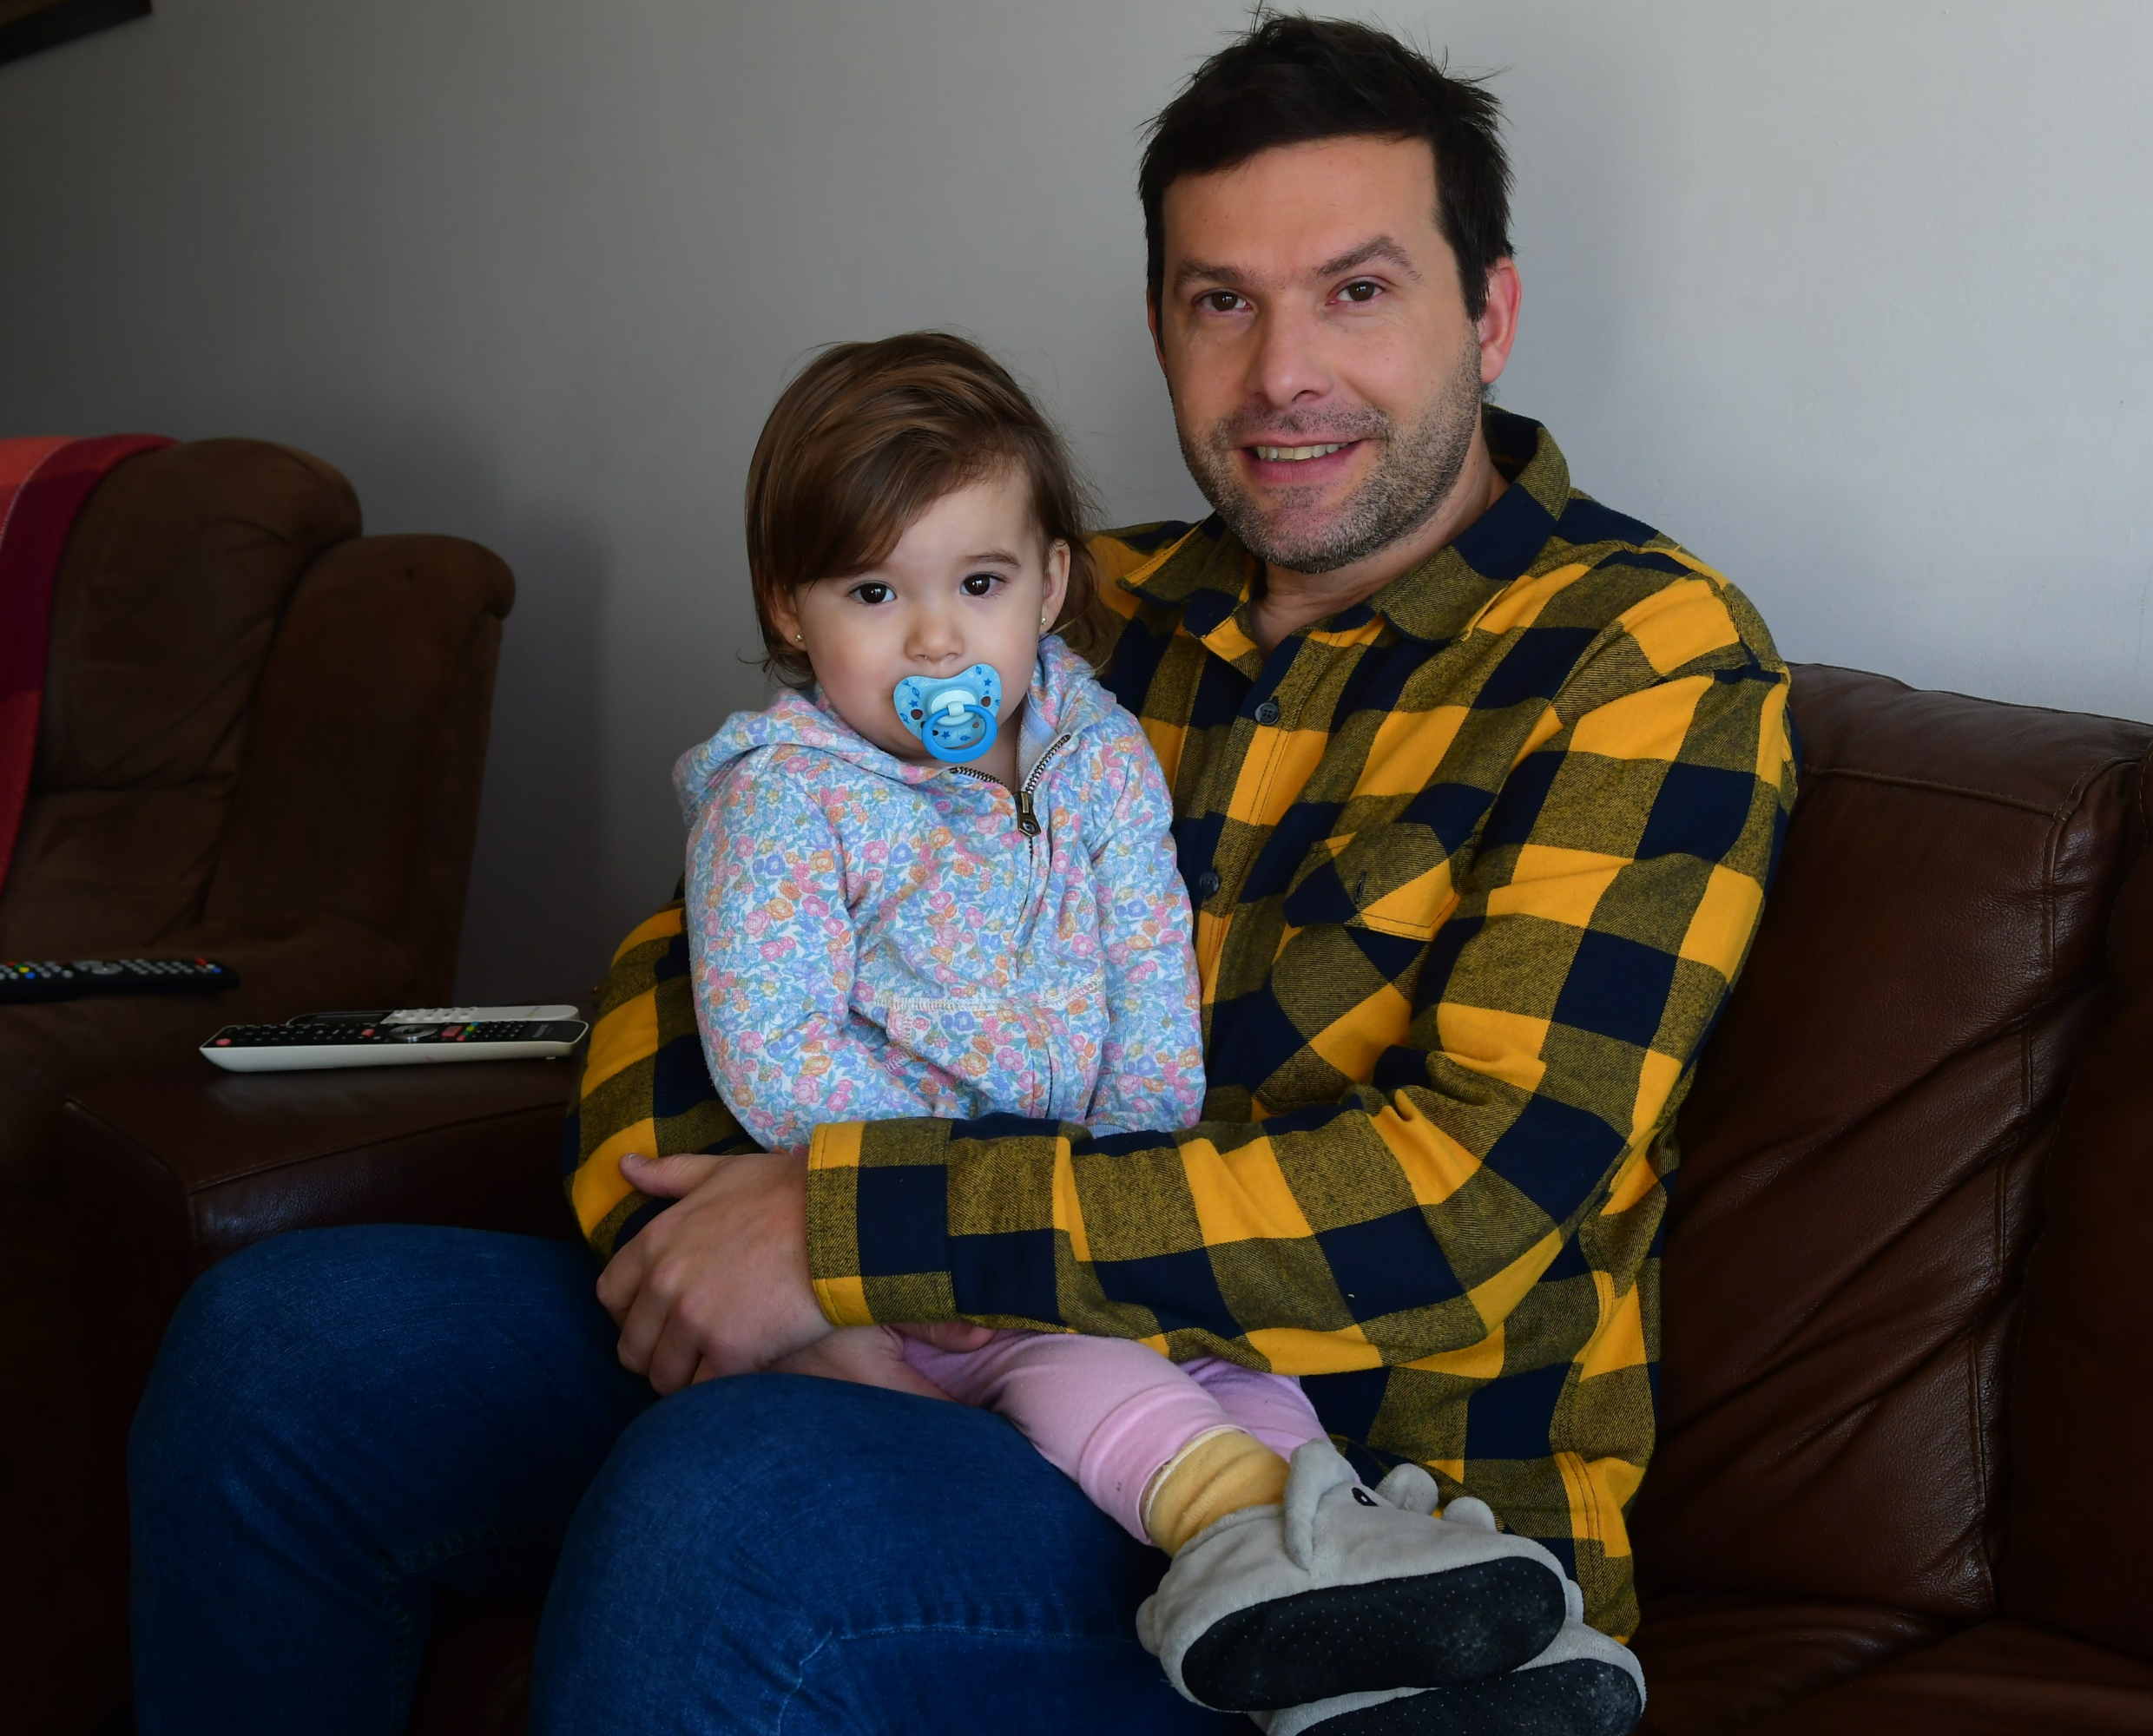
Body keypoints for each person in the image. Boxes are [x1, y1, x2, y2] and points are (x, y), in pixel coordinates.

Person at [128, 16, 1791, 1734]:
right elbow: (692, 948)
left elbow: (1472, 1203)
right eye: (1221, 301)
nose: (1283, 370)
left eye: (1357, 291)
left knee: (738, 1513)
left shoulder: (1639, 658)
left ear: (1489, 314)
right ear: (1161, 326)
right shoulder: (1054, 605)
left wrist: (848, 1234)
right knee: (277, 1353)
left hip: (1350, 1497)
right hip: (937, 1363)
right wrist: (731, 1252)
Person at [674, 329, 1591, 1726]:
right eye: (873, 592)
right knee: (1082, 1364)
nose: (936, 640)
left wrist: (1128, 1173)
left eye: (979, 585)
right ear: (789, 613)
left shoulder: (1094, 750)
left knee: (1238, 1359)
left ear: (1051, 583)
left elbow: (1150, 971)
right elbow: (769, 1051)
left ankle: (1377, 1593)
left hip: (1113, 1205)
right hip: (921, 1248)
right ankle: (1234, 1535)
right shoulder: (785, 800)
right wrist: (934, 1207)